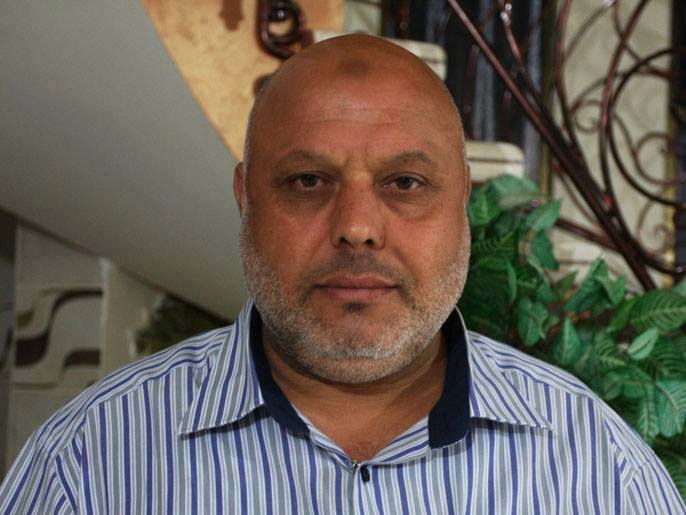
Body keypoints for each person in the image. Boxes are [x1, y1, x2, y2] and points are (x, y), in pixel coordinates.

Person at [1, 34, 683, 514]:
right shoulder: (89, 463)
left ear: (464, 205)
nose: (357, 226)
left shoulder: (597, 466)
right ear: (246, 200)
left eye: (405, 182)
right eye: (307, 180)